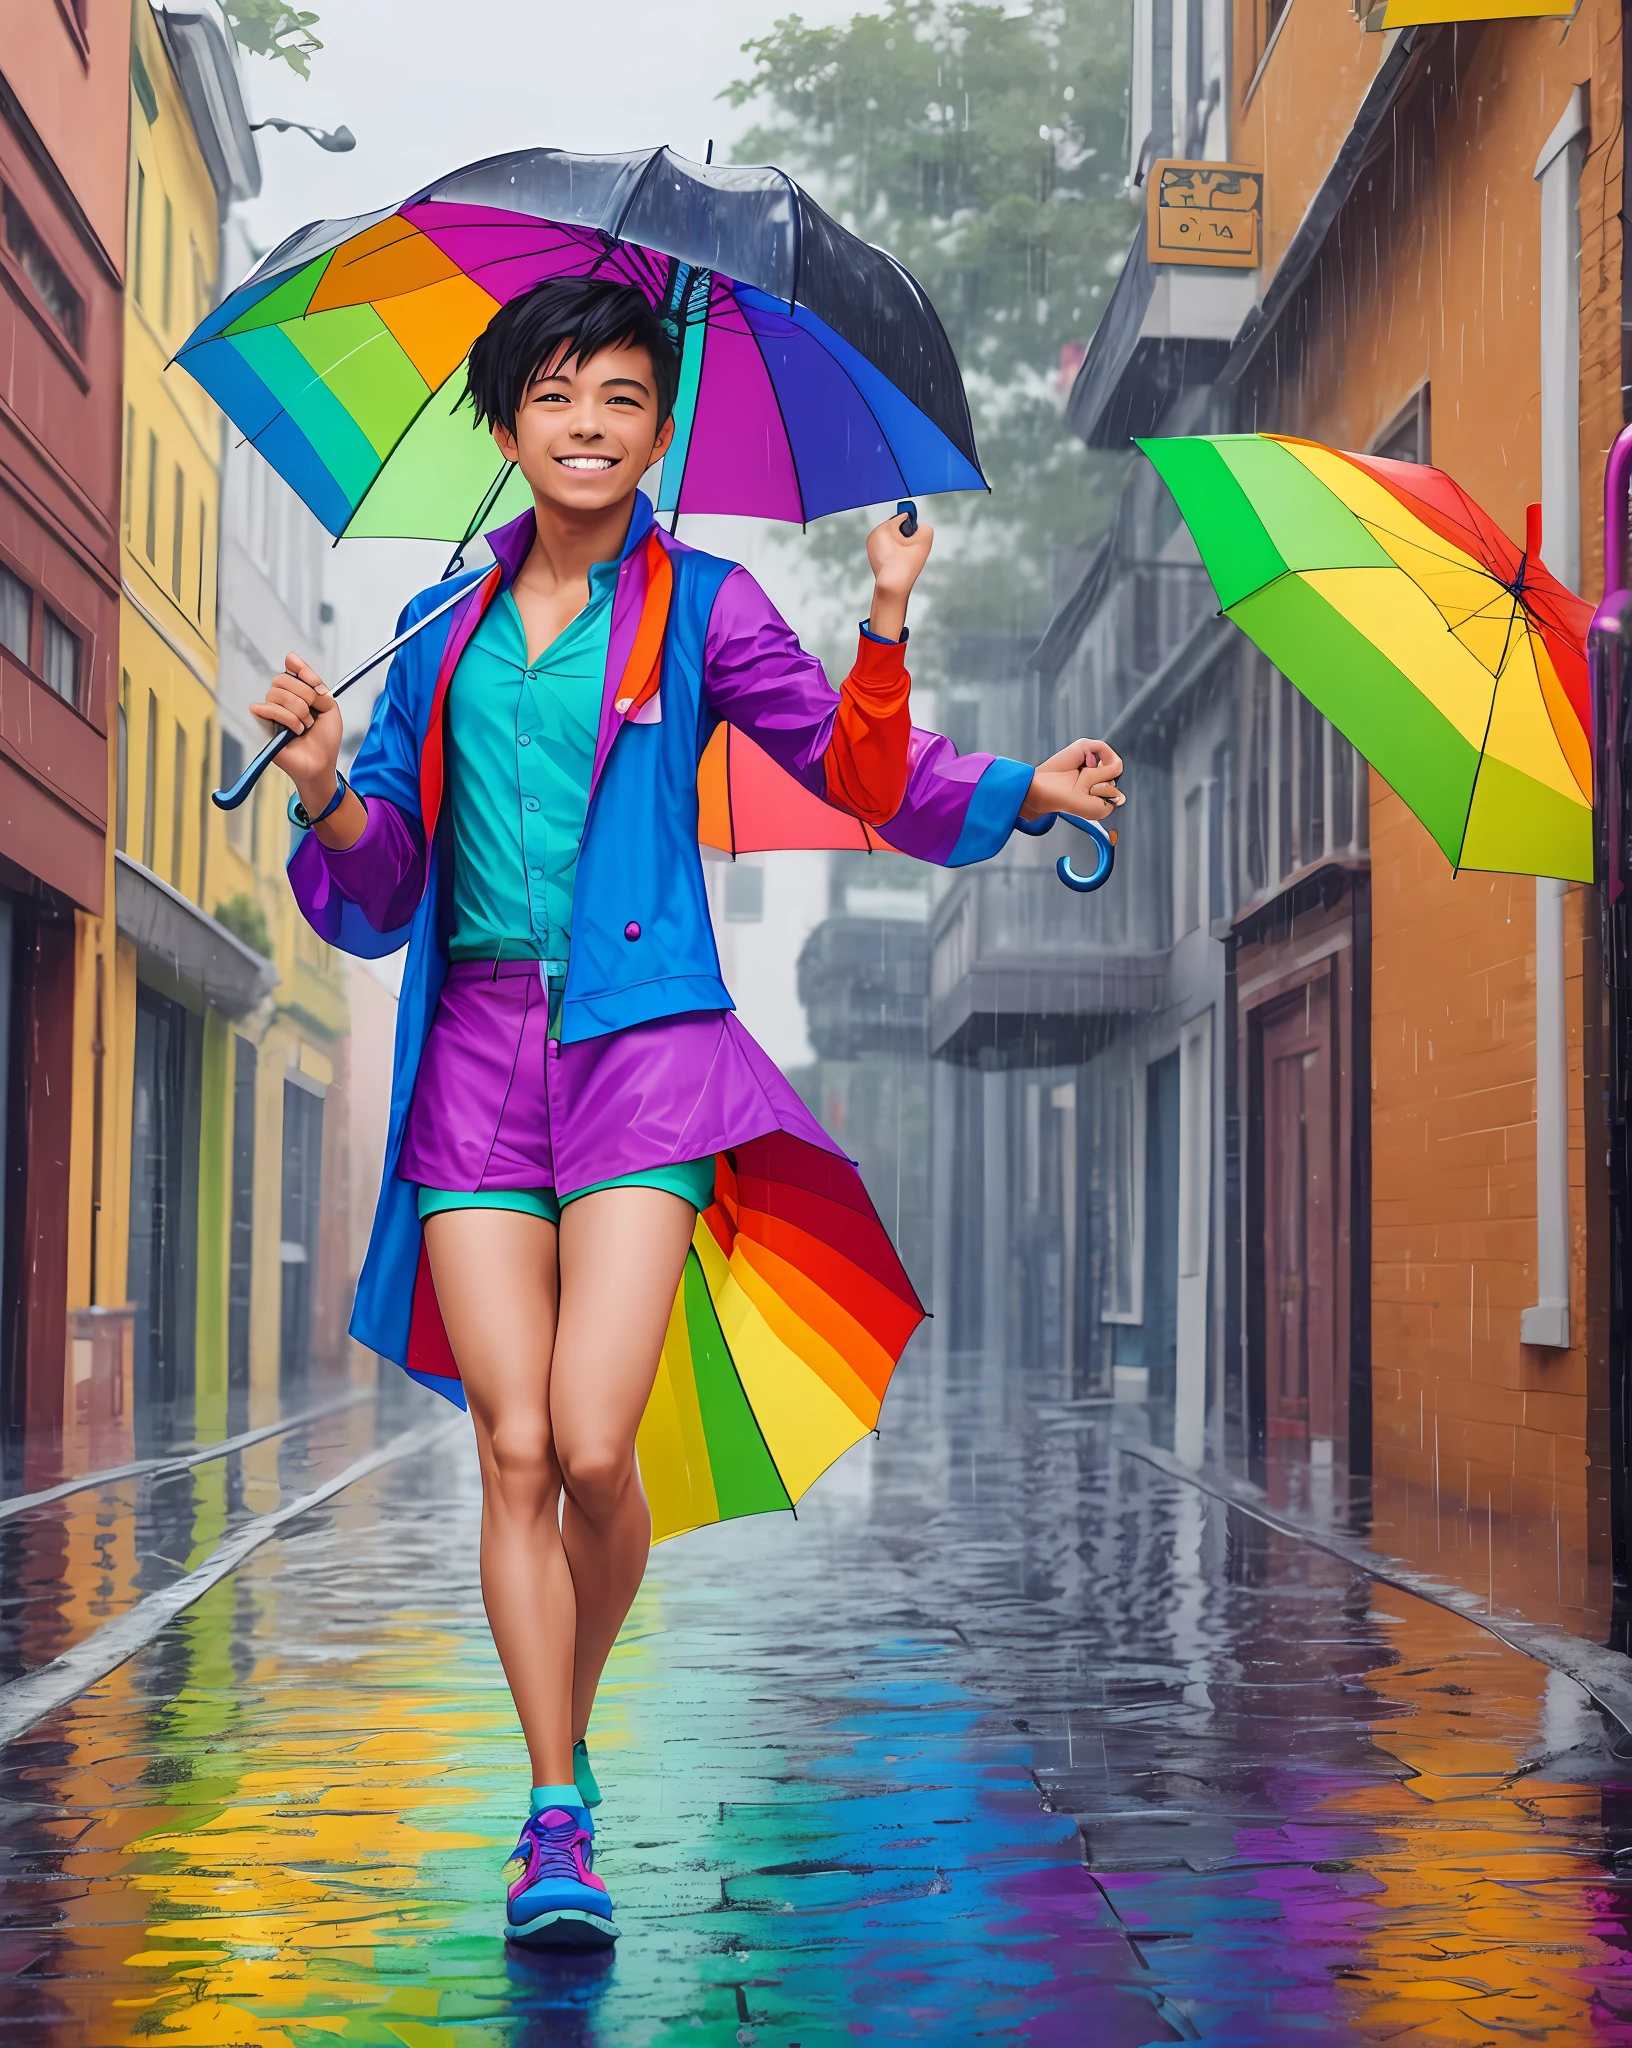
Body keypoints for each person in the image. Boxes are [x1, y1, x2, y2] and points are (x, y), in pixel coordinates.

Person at [252, 276, 1123, 1950]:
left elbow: (863, 777)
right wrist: (324, 789)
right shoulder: (432, 638)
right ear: (506, 427)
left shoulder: (706, 610)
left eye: (625, 400)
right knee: (508, 1446)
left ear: (662, 433)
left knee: (592, 1445)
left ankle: (562, 1740)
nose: (589, 424)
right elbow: (377, 895)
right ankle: (557, 1811)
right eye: (558, 395)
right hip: (474, 1066)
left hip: (645, 1055)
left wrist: (948, 705)